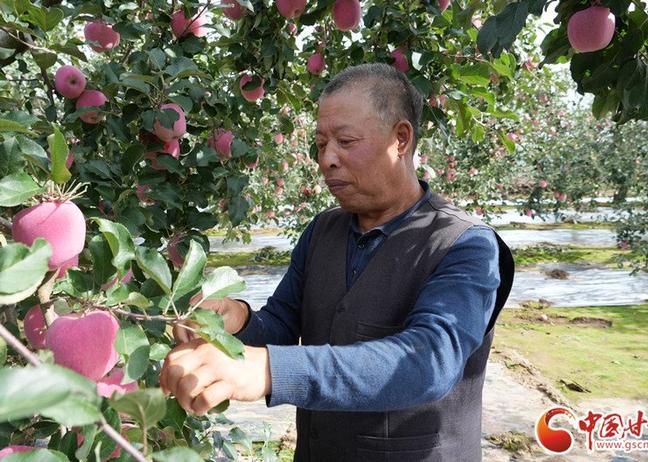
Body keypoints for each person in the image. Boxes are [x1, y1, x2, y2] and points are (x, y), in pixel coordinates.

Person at [160, 63, 514, 461]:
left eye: (345, 141)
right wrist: (237, 319)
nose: (327, 159)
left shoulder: (464, 244)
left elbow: (429, 361)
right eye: (321, 143)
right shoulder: (323, 232)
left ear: (400, 139)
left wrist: (269, 370)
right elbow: (282, 321)